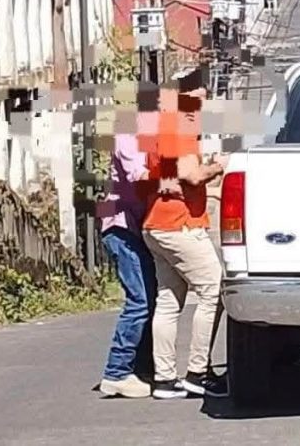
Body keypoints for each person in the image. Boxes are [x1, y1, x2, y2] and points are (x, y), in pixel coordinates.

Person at [142, 75, 229, 399]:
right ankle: (198, 372)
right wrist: (219, 166)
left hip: (157, 223)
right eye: (195, 99)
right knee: (213, 289)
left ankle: (165, 378)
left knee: (168, 300)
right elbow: (191, 174)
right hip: (179, 224)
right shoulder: (179, 129)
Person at [98, 84, 156, 398]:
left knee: (150, 298)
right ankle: (117, 371)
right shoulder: (128, 133)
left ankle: (142, 367)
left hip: (133, 227)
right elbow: (139, 175)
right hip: (120, 228)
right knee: (140, 300)